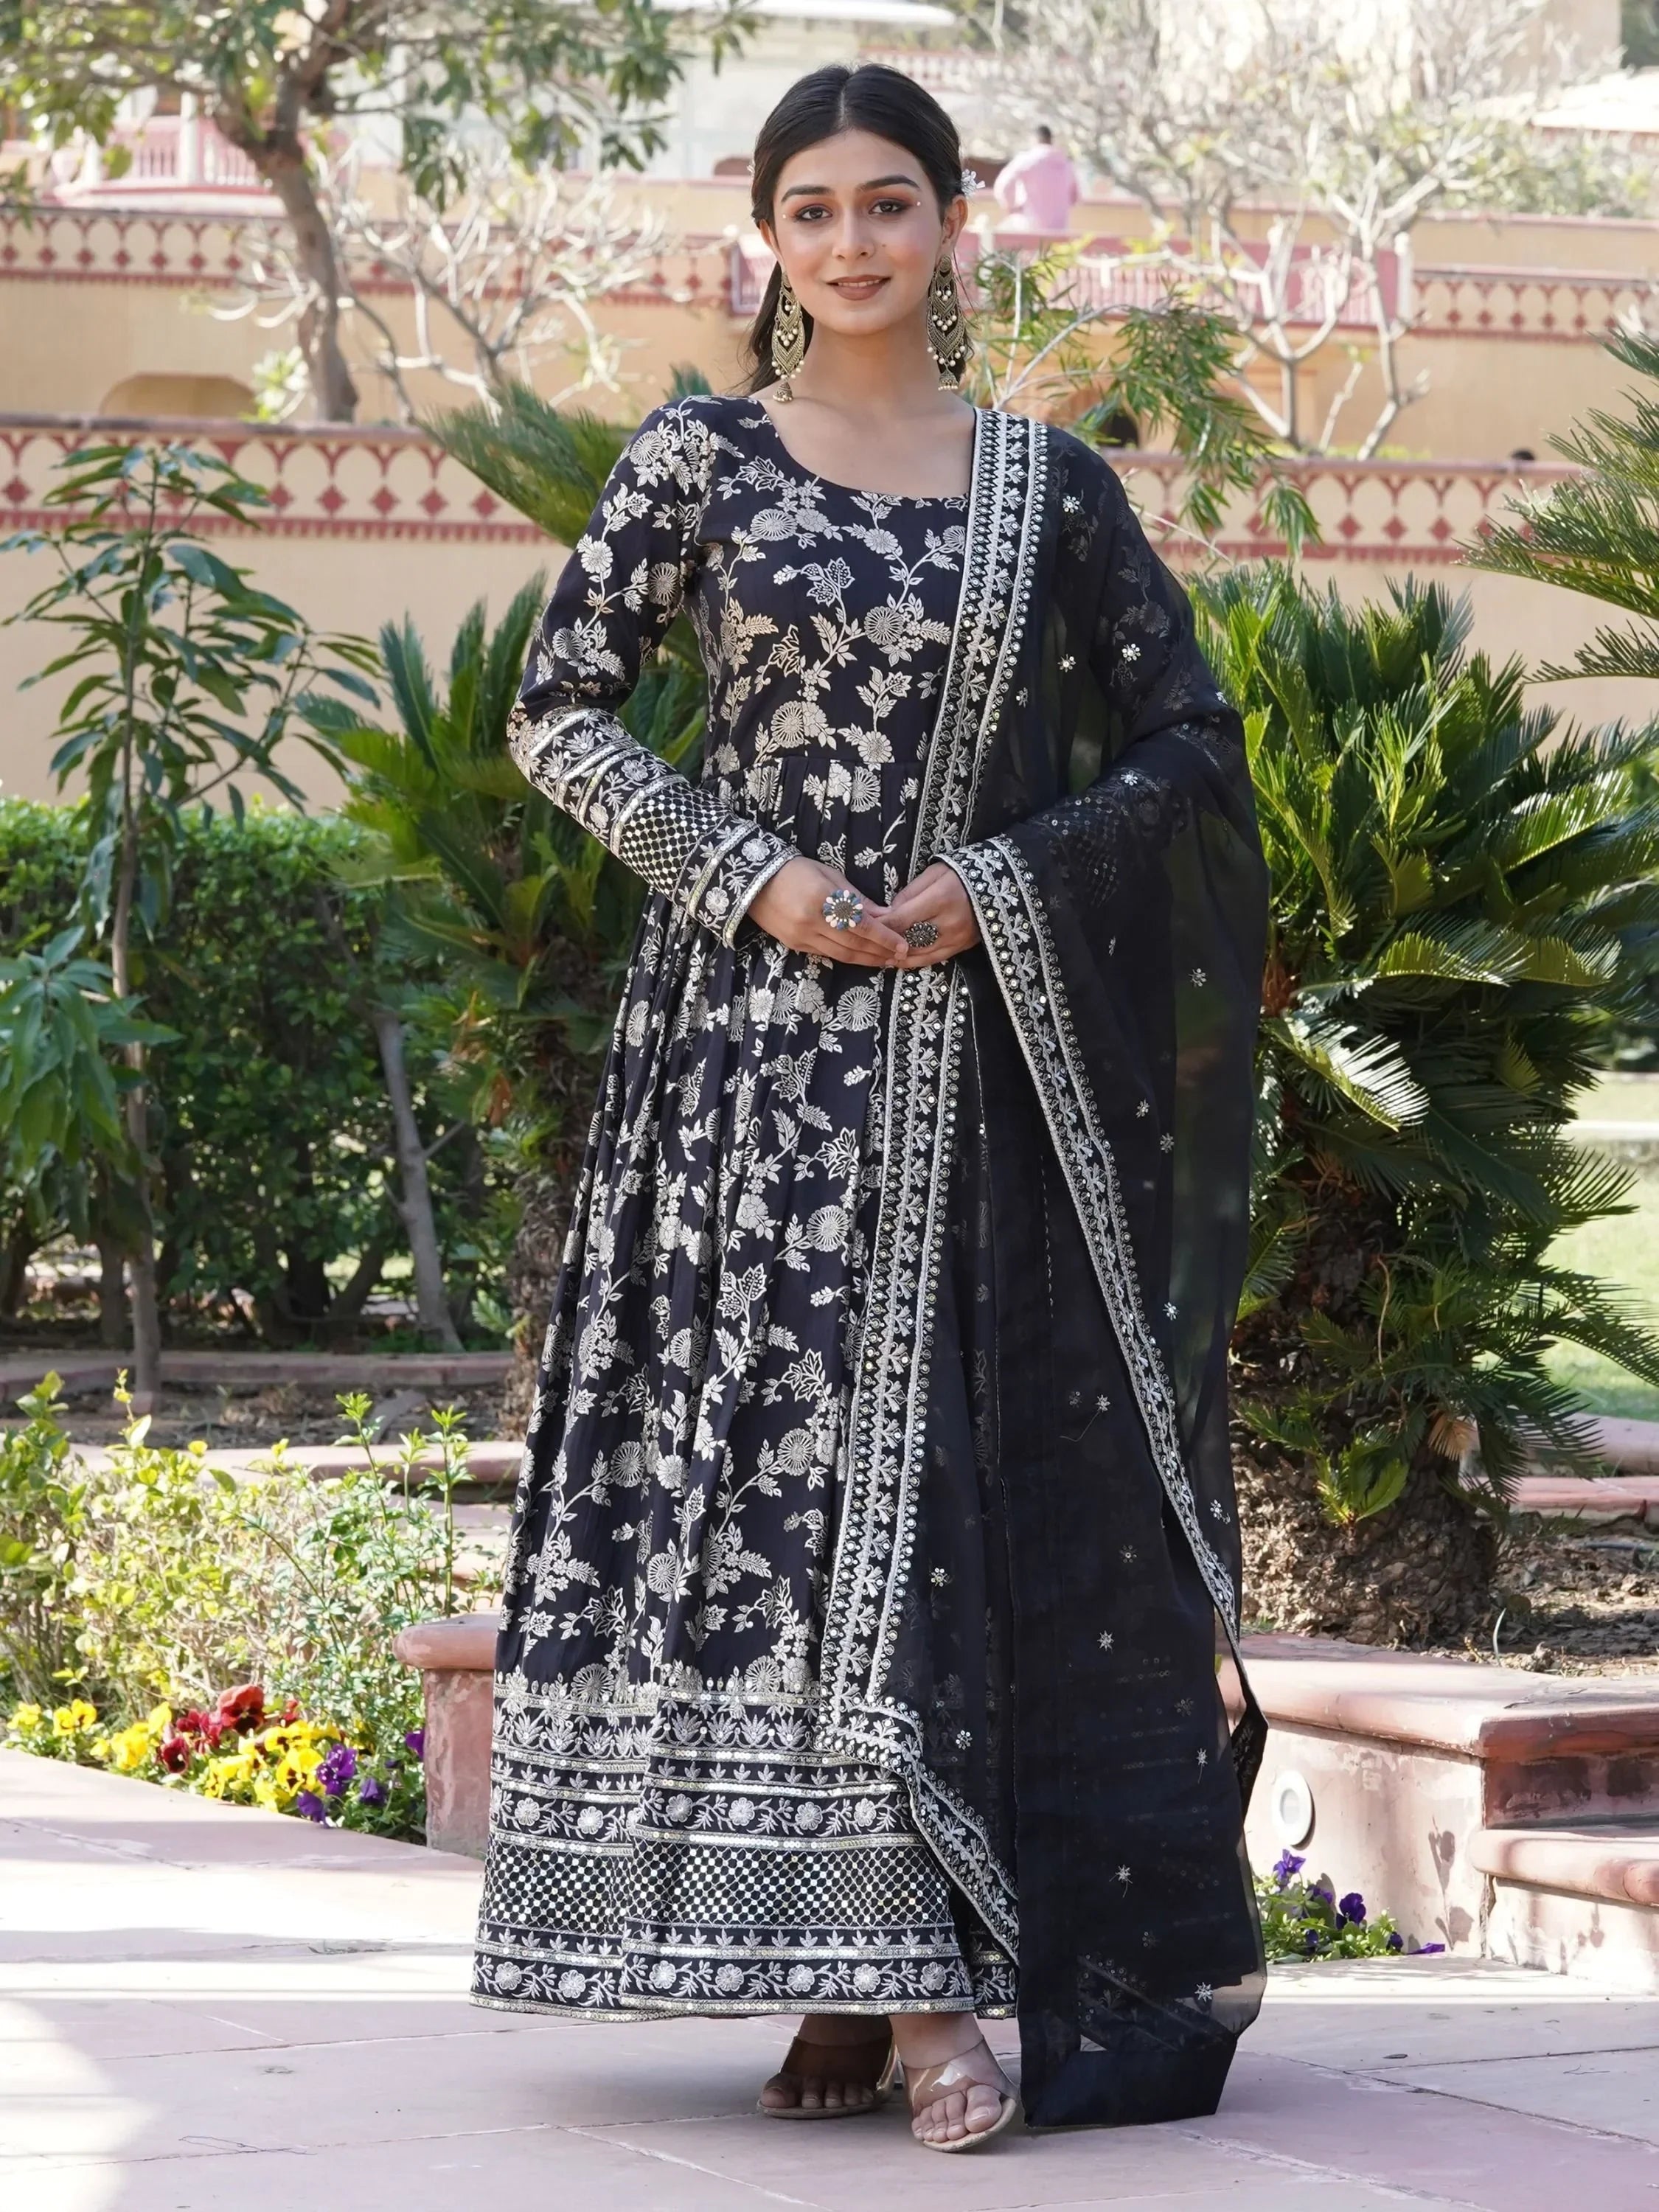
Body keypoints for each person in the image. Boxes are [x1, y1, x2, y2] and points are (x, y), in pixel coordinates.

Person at [473, 60, 1267, 2153]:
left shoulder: (1042, 484)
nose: (851, 241)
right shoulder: (699, 459)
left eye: (888, 202)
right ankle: (872, 1978)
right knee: (789, 1485)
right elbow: (557, 709)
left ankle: (901, 1974)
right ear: (767, 237)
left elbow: (1184, 742)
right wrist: (750, 873)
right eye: (812, 208)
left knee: (935, 1487)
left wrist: (999, 880)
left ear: (950, 225)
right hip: (746, 1066)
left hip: (986, 1075)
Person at [992, 124, 1081, 234]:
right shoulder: (1066, 164)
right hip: (1060, 231)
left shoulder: (1028, 159)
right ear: (1051, 140)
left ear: (1034, 139)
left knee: (994, 236)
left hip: (1029, 228)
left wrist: (1011, 206)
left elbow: (1003, 186)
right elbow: (1075, 198)